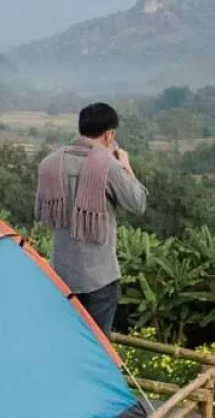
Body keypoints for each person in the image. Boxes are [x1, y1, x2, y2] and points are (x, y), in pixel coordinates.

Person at [35, 103, 147, 338]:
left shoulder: (49, 164)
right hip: (100, 278)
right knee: (98, 349)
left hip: (61, 276)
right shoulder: (110, 167)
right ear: (109, 134)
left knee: (66, 343)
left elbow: (39, 211)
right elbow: (138, 203)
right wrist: (127, 167)